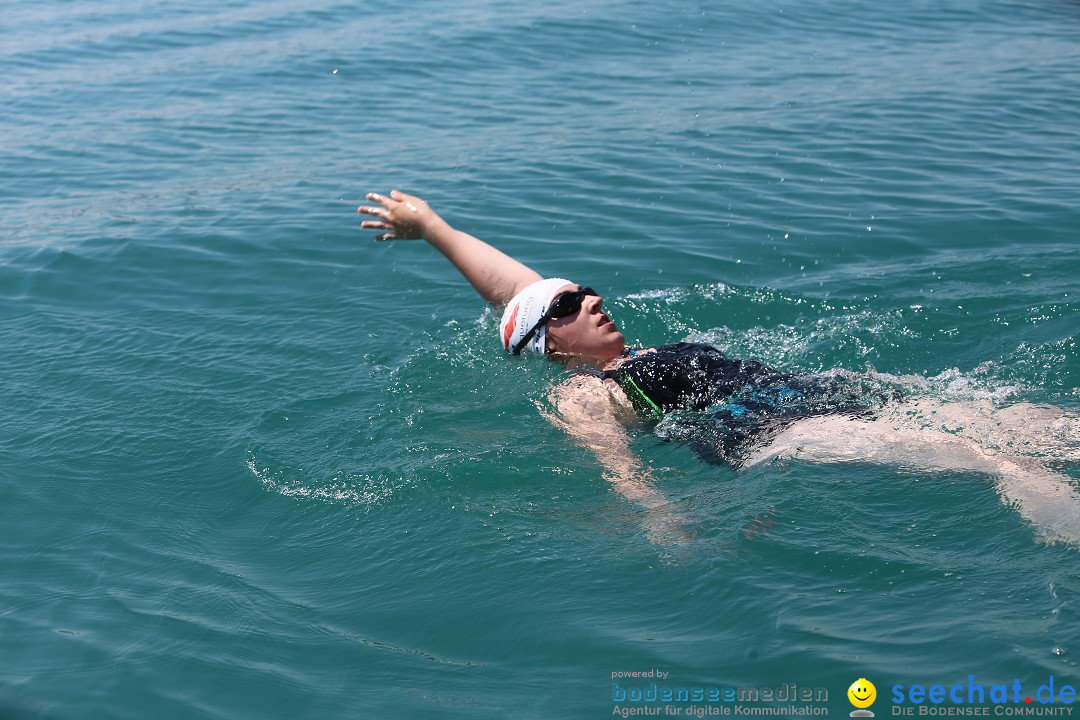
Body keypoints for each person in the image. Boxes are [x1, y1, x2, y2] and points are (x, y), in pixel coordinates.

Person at [360, 190, 1080, 545]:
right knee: (983, 457)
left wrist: (434, 229)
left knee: (1030, 421)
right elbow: (616, 464)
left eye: (583, 291)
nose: (593, 298)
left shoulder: (616, 351)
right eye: (573, 303)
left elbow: (516, 292)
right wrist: (663, 521)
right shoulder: (585, 394)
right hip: (770, 434)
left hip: (808, 392)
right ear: (554, 343)